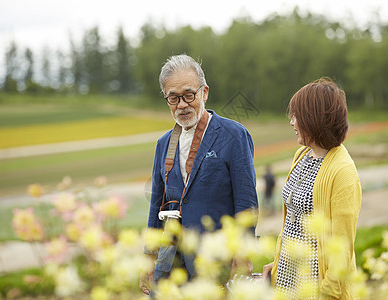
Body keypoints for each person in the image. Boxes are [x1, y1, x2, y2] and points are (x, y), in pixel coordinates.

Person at [140, 54, 259, 296]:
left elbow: (246, 202)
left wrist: (243, 252)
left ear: (204, 92)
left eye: (188, 95)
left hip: (217, 258)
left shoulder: (234, 135)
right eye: (173, 98)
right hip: (170, 260)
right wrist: (149, 257)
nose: (181, 104)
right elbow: (156, 206)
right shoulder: (164, 144)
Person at [262, 78, 362, 299]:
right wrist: (278, 265)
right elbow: (293, 222)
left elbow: (342, 247)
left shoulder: (342, 171)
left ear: (313, 119)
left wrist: (327, 293)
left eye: (296, 116)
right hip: (287, 280)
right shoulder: (302, 156)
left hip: (315, 289)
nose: (291, 122)